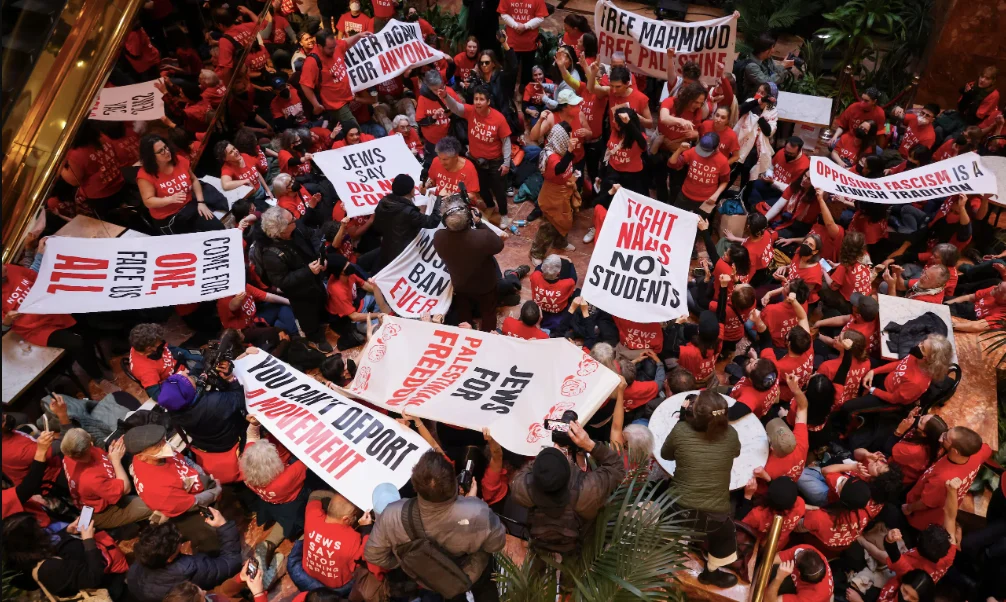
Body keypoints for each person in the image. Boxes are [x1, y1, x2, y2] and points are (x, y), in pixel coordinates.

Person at [364, 450, 507, 602]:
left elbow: (373, 555)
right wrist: (470, 504)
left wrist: (406, 560)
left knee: (453, 596)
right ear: (455, 483)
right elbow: (496, 544)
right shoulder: (478, 512)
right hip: (474, 573)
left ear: (415, 486)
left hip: (435, 579)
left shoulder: (391, 515)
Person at [660, 390, 741, 587]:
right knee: (726, 533)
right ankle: (711, 573)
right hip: (714, 519)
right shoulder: (730, 435)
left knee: (667, 524)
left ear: (694, 414)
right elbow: (736, 452)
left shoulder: (681, 430)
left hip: (677, 510)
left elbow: (665, 454)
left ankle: (664, 565)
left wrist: (682, 422)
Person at [511, 420, 625, 553]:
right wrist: (589, 445)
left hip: (541, 542)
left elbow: (526, 472)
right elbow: (617, 468)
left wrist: (547, 459)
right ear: (568, 470)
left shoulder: (522, 488)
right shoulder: (586, 490)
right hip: (579, 544)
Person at [124, 424, 223, 552]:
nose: (165, 445)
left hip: (191, 485)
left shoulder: (158, 454)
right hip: (185, 510)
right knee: (209, 534)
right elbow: (193, 503)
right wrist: (215, 492)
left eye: (163, 440)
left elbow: (184, 460)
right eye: (158, 446)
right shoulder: (158, 487)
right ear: (141, 456)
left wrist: (202, 475)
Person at [3, 511, 128, 600]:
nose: (41, 524)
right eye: (37, 527)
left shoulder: (34, 553)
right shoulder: (48, 570)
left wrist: (67, 531)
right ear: (30, 539)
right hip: (114, 589)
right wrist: (88, 541)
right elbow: (94, 577)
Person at [127, 507, 241, 602]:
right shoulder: (191, 568)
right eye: (178, 544)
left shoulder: (135, 569)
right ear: (170, 558)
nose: (181, 544)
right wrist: (224, 526)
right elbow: (231, 562)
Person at [259, 206, 333, 352]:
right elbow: (281, 281)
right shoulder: (270, 255)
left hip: (315, 276)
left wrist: (321, 257)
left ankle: (325, 320)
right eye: (292, 219)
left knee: (321, 299)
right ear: (281, 230)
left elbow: (313, 235)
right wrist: (308, 271)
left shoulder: (296, 227)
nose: (296, 219)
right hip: (300, 292)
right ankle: (315, 338)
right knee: (308, 316)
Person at [439, 84, 513, 225]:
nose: (478, 102)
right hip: (475, 160)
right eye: (476, 99)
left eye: (481, 99)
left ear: (488, 102)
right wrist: (445, 96)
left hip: (495, 162)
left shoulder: (498, 118)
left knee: (498, 190)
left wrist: (506, 163)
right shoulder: (470, 111)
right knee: (482, 187)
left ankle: (503, 214)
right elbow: (456, 107)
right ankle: (490, 206)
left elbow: (506, 141)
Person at [432, 196, 506, 331]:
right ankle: (488, 336)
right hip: (485, 285)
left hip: (460, 284)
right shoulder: (483, 237)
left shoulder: (438, 237)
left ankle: (466, 335)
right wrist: (480, 223)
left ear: (445, 222)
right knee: (488, 312)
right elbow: (499, 245)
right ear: (468, 218)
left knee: (464, 310)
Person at [903, 426, 992, 531]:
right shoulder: (977, 453)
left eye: (945, 438)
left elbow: (926, 503)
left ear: (955, 451)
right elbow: (987, 449)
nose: (941, 437)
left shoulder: (943, 479)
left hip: (921, 516)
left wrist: (909, 508)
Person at [60, 427, 152, 528]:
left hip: (103, 491)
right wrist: (116, 461)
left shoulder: (70, 455)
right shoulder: (90, 479)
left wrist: (112, 454)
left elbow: (101, 464)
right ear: (89, 445)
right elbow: (125, 489)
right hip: (105, 511)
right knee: (154, 505)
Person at [843, 334, 953, 415]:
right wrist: (874, 371)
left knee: (847, 407)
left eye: (923, 348)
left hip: (888, 398)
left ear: (928, 359)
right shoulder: (916, 357)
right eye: (922, 343)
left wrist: (873, 390)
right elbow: (900, 365)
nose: (918, 345)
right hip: (888, 382)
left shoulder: (916, 383)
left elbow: (893, 398)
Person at [138, 135, 223, 234]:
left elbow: (194, 180)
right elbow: (148, 201)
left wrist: (201, 202)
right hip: (168, 217)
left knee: (219, 229)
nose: (166, 152)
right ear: (151, 156)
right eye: (161, 151)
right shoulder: (145, 175)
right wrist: (170, 199)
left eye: (166, 147)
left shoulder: (179, 160)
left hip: (189, 207)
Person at [288, 490, 369, 594]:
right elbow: (362, 560)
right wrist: (367, 528)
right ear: (346, 519)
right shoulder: (353, 538)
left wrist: (336, 502)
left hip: (306, 573)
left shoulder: (312, 516)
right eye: (354, 515)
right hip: (336, 586)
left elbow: (315, 494)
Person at [300, 29, 373, 124]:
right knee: (354, 129)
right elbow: (304, 84)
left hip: (348, 96)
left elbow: (345, 43)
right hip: (336, 104)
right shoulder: (311, 62)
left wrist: (358, 36)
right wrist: (316, 104)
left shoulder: (334, 46)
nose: (334, 50)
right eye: (330, 48)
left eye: (334, 46)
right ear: (319, 46)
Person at [373, 174, 442, 270]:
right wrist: (440, 199)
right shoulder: (408, 212)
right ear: (411, 191)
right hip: (404, 255)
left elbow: (377, 227)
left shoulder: (383, 203)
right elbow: (432, 222)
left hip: (386, 249)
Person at [532, 123, 580, 258]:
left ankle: (560, 242)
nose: (571, 138)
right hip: (552, 196)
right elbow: (559, 169)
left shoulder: (563, 150)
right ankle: (536, 253)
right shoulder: (552, 156)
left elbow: (569, 163)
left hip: (564, 192)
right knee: (549, 225)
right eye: (568, 136)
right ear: (561, 138)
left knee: (565, 219)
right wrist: (570, 151)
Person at [669, 133, 731, 215]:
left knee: (700, 225)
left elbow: (725, 181)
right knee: (676, 217)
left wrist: (716, 195)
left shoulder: (722, 161)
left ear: (717, 147)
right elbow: (672, 164)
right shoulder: (693, 151)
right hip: (686, 194)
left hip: (706, 200)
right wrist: (679, 149)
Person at [497, 0, 548, 89]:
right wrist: (515, 25)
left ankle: (525, 94)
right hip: (511, 43)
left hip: (530, 43)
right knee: (510, 72)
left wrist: (525, 26)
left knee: (528, 73)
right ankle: (509, 95)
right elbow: (503, 13)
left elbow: (540, 17)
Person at [216, 140, 272, 211]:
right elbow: (225, 185)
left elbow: (257, 172)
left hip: (262, 190)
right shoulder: (227, 168)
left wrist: (268, 191)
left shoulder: (245, 156)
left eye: (234, 148)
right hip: (252, 200)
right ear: (225, 158)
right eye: (231, 152)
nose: (235, 151)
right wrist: (245, 181)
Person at [765, 545, 833, 602]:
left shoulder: (810, 598)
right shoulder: (805, 551)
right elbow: (769, 560)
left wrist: (779, 578)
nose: (797, 551)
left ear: (798, 573)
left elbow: (769, 601)